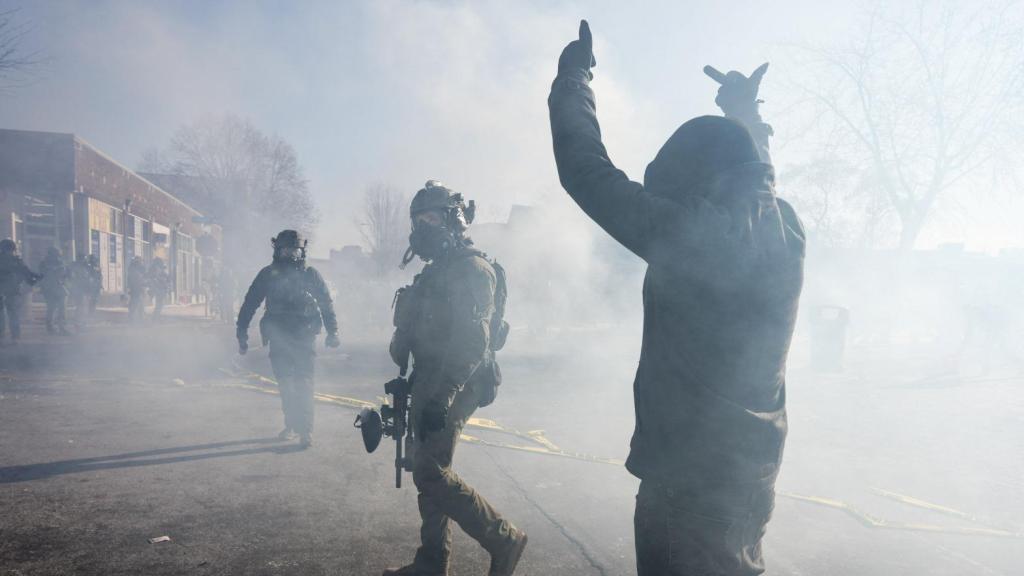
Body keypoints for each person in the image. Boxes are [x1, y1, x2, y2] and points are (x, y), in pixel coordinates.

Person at [549, 22, 805, 576]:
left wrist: (573, 79)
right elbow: (757, 174)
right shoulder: (783, 228)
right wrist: (745, 114)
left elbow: (586, 172)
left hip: (688, 484)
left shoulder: (697, 235)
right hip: (751, 476)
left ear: (694, 184)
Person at [383, 181, 525, 576]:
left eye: (430, 218)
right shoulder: (435, 273)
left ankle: (504, 538)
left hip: (461, 379)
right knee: (426, 467)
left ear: (454, 220)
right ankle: (432, 562)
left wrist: (442, 397)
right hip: (430, 376)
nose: (422, 227)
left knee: (429, 471)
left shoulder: (473, 270)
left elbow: (471, 343)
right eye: (417, 220)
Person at [236, 230, 340, 448]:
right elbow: (250, 302)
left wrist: (333, 332)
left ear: (302, 251)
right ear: (278, 250)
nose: (291, 254)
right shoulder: (268, 274)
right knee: (285, 383)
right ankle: (292, 424)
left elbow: (325, 303)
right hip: (278, 336)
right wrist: (241, 330)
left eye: (295, 249)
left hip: (304, 335)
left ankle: (306, 430)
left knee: (304, 382)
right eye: (286, 249)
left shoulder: (311, 275)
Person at [0, 239, 39, 344]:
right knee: (13, 313)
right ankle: (15, 337)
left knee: (3, 314)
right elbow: (26, 272)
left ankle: (2, 337)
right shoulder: (15, 260)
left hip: (8, 289)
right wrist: (35, 280)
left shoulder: (13, 260)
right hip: (12, 290)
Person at [38, 246, 71, 335]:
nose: (57, 257)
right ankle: (51, 327)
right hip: (50, 288)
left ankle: (61, 327)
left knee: (61, 309)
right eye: (55, 254)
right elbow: (43, 275)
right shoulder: (44, 264)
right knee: (52, 309)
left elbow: (66, 275)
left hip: (59, 288)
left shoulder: (61, 263)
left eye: (58, 255)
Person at [69, 254, 101, 329]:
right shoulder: (78, 267)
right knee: (81, 307)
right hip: (80, 290)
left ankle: (81, 324)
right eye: (83, 259)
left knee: (83, 307)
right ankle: (79, 324)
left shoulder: (86, 266)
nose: (84, 261)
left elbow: (93, 276)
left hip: (84, 290)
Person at [126, 256, 147, 323]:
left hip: (137, 290)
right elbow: (136, 280)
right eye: (140, 261)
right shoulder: (134, 270)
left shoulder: (133, 269)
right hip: (136, 290)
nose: (141, 262)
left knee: (139, 305)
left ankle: (139, 320)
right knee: (135, 305)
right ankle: (133, 320)